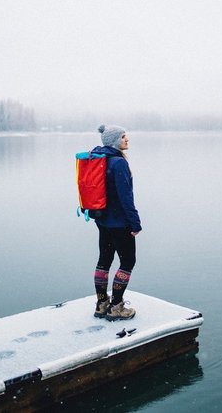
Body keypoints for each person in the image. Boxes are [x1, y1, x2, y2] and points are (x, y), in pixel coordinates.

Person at [91, 124, 142, 321]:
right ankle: (116, 306)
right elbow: (125, 198)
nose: (127, 139)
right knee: (128, 261)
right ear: (114, 141)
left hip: (102, 219)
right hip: (119, 222)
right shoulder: (118, 163)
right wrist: (135, 223)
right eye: (123, 137)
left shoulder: (100, 159)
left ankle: (102, 303)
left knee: (104, 259)